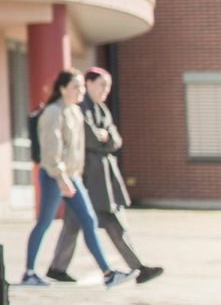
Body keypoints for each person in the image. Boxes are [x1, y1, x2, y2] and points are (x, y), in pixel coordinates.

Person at [19, 68, 135, 289]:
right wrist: (61, 178)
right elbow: (51, 151)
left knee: (89, 221)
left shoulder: (75, 112)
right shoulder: (53, 112)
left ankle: (108, 274)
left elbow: (77, 150)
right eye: (76, 86)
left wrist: (74, 176)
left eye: (82, 86)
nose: (81, 90)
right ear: (62, 88)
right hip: (55, 176)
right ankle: (29, 272)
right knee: (44, 223)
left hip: (73, 177)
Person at [46, 66, 163, 284]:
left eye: (108, 86)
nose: (105, 90)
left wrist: (106, 137)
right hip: (89, 177)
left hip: (102, 176)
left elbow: (116, 140)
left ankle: (57, 267)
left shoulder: (102, 109)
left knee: (75, 223)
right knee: (108, 221)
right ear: (89, 83)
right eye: (102, 85)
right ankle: (135, 267)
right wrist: (104, 139)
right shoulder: (79, 108)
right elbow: (89, 138)